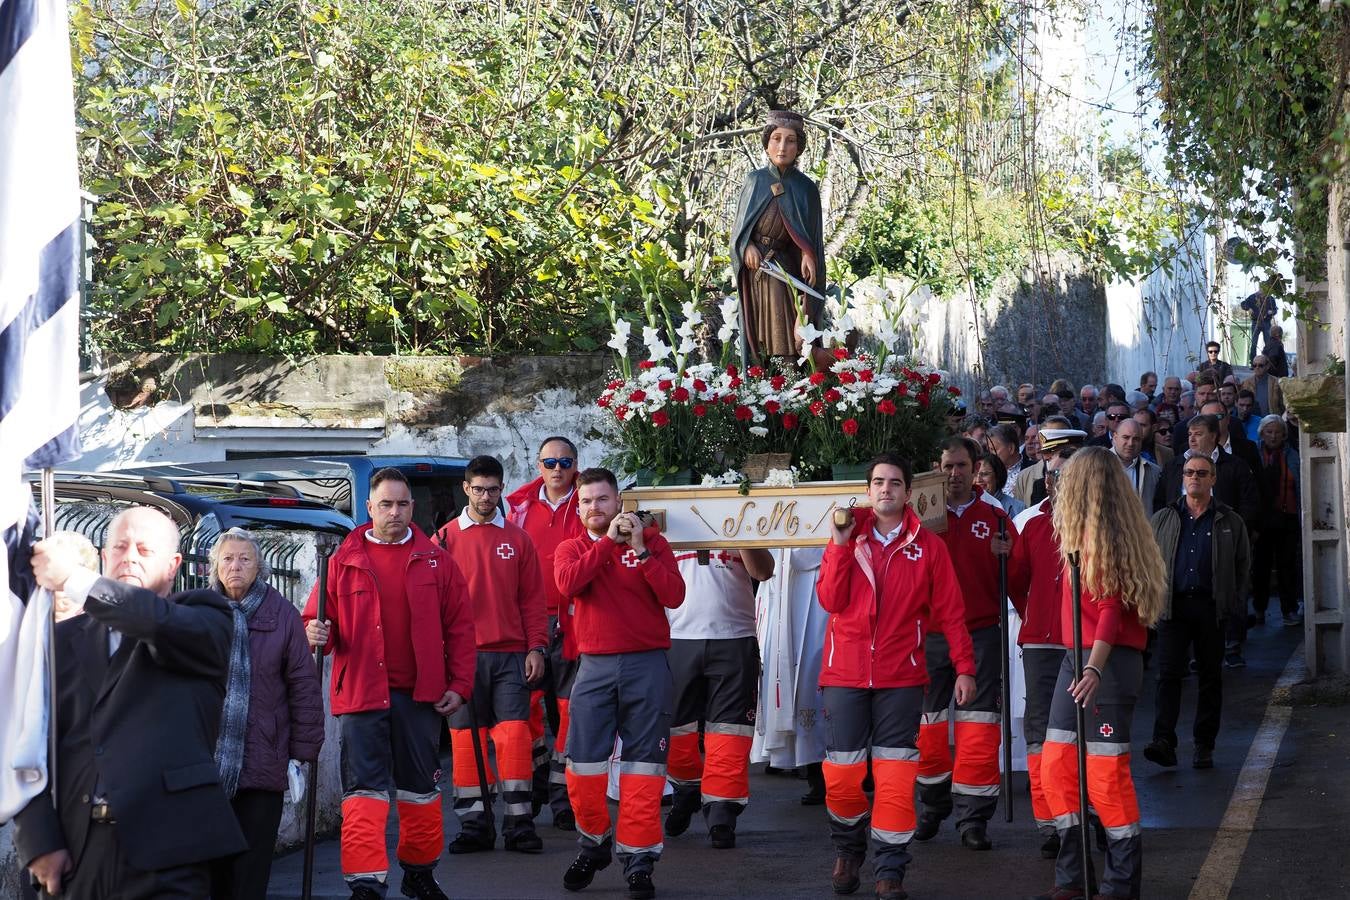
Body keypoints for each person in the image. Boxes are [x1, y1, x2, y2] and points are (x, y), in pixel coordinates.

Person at [18, 508, 247, 898]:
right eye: (120, 547)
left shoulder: (205, 618)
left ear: (174, 565)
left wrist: (75, 580)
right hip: (76, 853)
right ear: (105, 556)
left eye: (144, 549)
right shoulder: (58, 640)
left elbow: (156, 622)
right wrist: (37, 840)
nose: (130, 557)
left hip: (170, 854)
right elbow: (27, 742)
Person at [304, 467, 477, 900]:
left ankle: (420, 872)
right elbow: (316, 619)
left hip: (420, 696)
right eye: (386, 504)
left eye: (402, 504)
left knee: (420, 791)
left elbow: (460, 627)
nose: (394, 512)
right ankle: (366, 882)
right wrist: (315, 631)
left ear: (412, 507)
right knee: (363, 792)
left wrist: (460, 684)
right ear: (369, 507)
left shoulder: (437, 560)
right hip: (362, 693)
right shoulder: (342, 560)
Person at [816, 453, 976, 900]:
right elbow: (830, 598)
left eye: (895, 483)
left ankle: (890, 869)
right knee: (843, 776)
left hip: (902, 679)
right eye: (878, 482)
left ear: (909, 493)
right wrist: (839, 545)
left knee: (894, 778)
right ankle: (848, 850)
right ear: (868, 490)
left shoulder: (929, 546)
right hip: (844, 675)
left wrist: (964, 667)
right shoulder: (848, 537)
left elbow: (952, 613)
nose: (886, 489)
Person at [1034, 447, 1166, 900]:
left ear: (1084, 484)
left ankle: (1119, 883)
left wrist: (1094, 665)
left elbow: (1110, 608)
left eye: (1067, 475)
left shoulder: (1100, 534)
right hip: (1083, 659)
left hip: (1104, 662)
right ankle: (1074, 876)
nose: (1059, 479)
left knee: (1105, 775)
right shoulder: (1086, 532)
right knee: (1057, 766)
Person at [554, 468, 685, 899]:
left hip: (647, 664)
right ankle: (594, 844)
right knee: (582, 768)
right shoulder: (571, 548)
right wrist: (610, 543)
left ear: (619, 503)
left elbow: (674, 596)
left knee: (643, 769)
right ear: (579, 507)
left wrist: (642, 550)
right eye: (587, 501)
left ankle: (640, 860)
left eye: (603, 500)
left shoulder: (652, 543)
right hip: (593, 668)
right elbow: (569, 584)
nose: (595, 507)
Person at [436, 455, 549, 855]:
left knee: (515, 736)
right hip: (462, 658)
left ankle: (519, 825)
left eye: (493, 489)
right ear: (466, 489)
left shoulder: (518, 539)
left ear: (502, 489)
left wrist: (536, 647)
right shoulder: (444, 540)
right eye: (478, 489)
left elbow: (534, 601)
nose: (486, 497)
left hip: (511, 656)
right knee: (466, 741)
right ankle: (474, 827)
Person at [208, 528, 325, 900]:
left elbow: (303, 685)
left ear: (260, 566)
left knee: (252, 867)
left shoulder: (282, 614)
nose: (236, 565)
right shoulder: (200, 611)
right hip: (209, 761)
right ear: (215, 567)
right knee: (211, 866)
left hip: (264, 759)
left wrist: (303, 752)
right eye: (227, 558)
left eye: (245, 558)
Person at [916, 437, 1015, 852]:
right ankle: (933, 804)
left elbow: (1016, 577)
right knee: (928, 728)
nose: (953, 474)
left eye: (961, 466)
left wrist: (1004, 556)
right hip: (929, 635)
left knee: (978, 731)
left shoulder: (995, 516)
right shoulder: (921, 514)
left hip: (979, 634)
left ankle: (973, 819)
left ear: (976, 469)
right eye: (947, 466)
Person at [1144, 453, 1251, 771]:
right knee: (1168, 676)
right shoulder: (1164, 517)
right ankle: (1163, 740)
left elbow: (1243, 565)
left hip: (1210, 607)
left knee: (1209, 678)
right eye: (1190, 472)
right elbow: (1148, 560)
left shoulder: (1229, 520)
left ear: (1213, 479)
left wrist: (1232, 603)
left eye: (1202, 473)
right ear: (1182, 477)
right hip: (1172, 607)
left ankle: (1204, 745)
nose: (1195, 478)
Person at [663, 547, 774, 848]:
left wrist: (743, 538)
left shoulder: (736, 507)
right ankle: (685, 791)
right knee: (674, 731)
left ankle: (722, 811)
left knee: (731, 732)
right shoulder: (667, 508)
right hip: (677, 636)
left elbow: (763, 572)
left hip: (734, 637)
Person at [507, 436, 586, 831]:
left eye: (565, 461)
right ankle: (538, 783)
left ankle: (564, 799)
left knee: (569, 713)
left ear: (576, 465)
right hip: (530, 624)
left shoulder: (588, 501)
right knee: (530, 713)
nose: (557, 469)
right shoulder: (517, 507)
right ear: (538, 465)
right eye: (549, 462)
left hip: (574, 622)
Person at [1007, 444, 1077, 860]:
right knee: (1039, 732)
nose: (1059, 485)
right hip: (1039, 642)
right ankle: (1048, 821)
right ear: (1046, 483)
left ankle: (1083, 812)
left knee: (1080, 732)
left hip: (1081, 642)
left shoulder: (1096, 521)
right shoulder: (1030, 525)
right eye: (1054, 478)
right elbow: (1016, 580)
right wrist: (1035, 614)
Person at [730, 110, 826, 365]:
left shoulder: (806, 188)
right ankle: (764, 376)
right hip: (756, 270)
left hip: (786, 269)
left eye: (790, 140)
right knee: (759, 330)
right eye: (776, 138)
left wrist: (808, 254)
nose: (782, 147)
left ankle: (788, 371)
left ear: (799, 146)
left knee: (789, 322)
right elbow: (738, 233)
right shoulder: (754, 181)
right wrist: (746, 246)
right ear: (767, 142)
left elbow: (812, 236)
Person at [1252, 415, 1302, 626]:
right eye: (1269, 432)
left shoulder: (1292, 455)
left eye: (1278, 432)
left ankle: (1289, 609)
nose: (1273, 436)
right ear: (1262, 433)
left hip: (1288, 517)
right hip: (1262, 519)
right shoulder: (1254, 453)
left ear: (1284, 434)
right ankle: (1259, 609)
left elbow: (1299, 485)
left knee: (1287, 565)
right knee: (1261, 566)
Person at [1111, 418, 1161, 503]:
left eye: (1136, 439)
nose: (1130, 443)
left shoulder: (1153, 471)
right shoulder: (1096, 464)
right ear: (1115, 437)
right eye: (1126, 437)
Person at [978, 452, 1026, 518]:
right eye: (974, 474)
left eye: (985, 474)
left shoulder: (1017, 508)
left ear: (998, 475)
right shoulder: (963, 506)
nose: (978, 480)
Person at [1240, 291, 1277, 363]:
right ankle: (1253, 362)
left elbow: (1275, 310)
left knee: (1268, 343)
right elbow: (1243, 304)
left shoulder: (1270, 298)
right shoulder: (1253, 297)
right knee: (1254, 343)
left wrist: (1271, 312)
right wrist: (1248, 308)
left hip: (1266, 322)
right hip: (1255, 322)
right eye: (1261, 290)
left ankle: (1268, 362)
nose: (1262, 292)